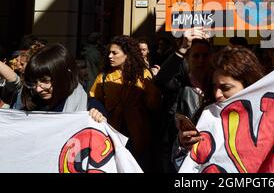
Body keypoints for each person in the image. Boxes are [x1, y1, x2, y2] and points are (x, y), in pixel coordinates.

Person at [173, 45, 265, 168]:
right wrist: (183, 145)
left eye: (225, 88)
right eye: (214, 86)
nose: (217, 94)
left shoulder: (267, 117)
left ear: (248, 85)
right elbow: (182, 164)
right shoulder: (205, 114)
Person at [89, 35, 161, 172]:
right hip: (111, 136)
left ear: (127, 55)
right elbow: (94, 100)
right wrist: (96, 110)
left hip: (139, 137)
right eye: (109, 52)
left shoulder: (143, 74)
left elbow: (154, 105)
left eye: (114, 53)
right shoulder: (103, 77)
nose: (110, 56)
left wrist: (151, 88)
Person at [154, 28, 212, 173]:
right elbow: (160, 80)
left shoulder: (216, 85)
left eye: (205, 56)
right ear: (188, 58)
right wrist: (183, 48)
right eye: (196, 56)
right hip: (178, 150)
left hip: (207, 150)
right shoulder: (179, 83)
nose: (201, 60)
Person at [11, 43, 105, 123]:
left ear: (64, 76)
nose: (38, 89)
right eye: (34, 82)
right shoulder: (28, 104)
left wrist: (99, 121)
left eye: (45, 81)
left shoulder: (91, 108)